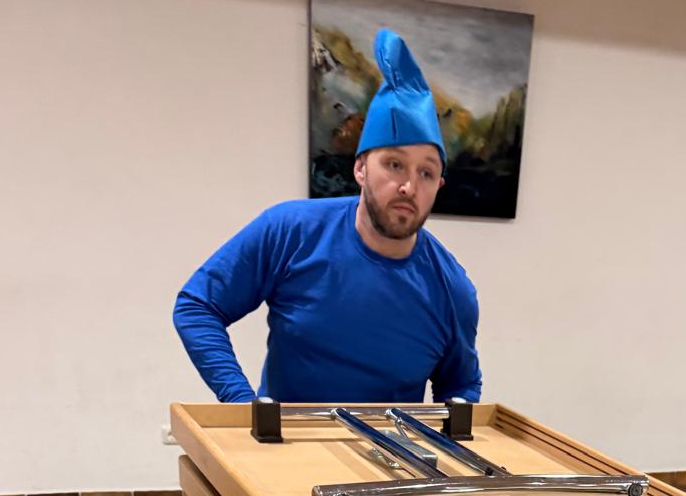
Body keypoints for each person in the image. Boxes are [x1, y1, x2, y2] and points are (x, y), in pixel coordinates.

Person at [173, 29, 480, 406]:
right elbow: (198, 306)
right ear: (361, 169)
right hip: (285, 442)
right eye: (394, 164)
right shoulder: (290, 231)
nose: (408, 186)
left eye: (426, 172)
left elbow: (461, 385)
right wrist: (242, 405)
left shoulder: (453, 291)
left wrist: (446, 432)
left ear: (438, 186)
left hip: (393, 445)